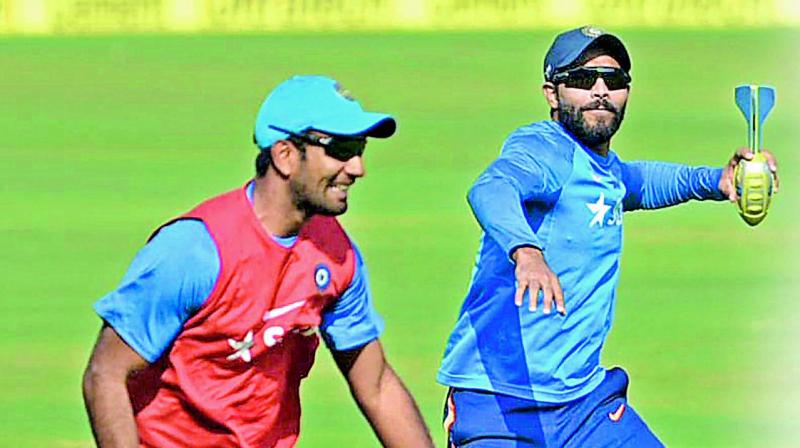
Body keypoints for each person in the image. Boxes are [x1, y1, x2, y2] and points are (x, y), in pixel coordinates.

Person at [437, 26, 779, 447]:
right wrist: (526, 251)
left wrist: (717, 180)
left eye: (614, 81)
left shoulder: (602, 171)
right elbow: (492, 187)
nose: (601, 91)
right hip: (500, 404)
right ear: (552, 93)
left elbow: (639, 180)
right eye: (583, 80)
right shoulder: (543, 149)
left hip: (585, 405)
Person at [82, 75, 434, 448]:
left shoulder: (337, 254)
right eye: (341, 149)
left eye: (360, 148)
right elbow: (104, 375)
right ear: (284, 155)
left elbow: (377, 387)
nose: (358, 167)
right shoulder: (195, 251)